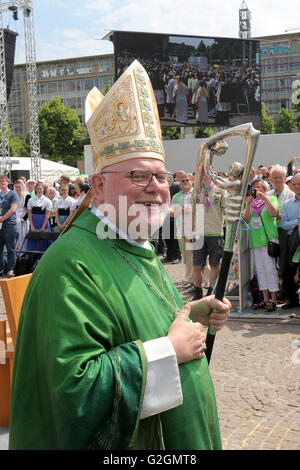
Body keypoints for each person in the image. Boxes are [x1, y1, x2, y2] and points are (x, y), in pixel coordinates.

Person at [9, 60, 231, 451]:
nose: (156, 189)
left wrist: (192, 314)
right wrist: (170, 352)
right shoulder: (72, 264)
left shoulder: (132, 240)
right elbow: (73, 393)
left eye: (161, 177)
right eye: (138, 176)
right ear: (98, 184)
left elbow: (137, 323)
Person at [243, 177, 279, 311]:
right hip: (255, 240)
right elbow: (246, 220)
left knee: (270, 269)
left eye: (259, 188)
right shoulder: (251, 203)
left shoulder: (271, 199)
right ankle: (265, 298)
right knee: (261, 271)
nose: (256, 190)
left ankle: (273, 298)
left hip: (269, 240)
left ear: (265, 189)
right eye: (254, 188)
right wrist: (248, 204)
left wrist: (265, 199)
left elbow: (274, 213)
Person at [192, 173, 226, 300]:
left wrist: (223, 225)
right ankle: (197, 291)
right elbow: (193, 212)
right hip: (199, 233)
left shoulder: (220, 190)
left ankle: (211, 290)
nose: (203, 177)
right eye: (201, 175)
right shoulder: (195, 191)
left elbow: (226, 210)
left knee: (214, 264)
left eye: (205, 175)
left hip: (215, 233)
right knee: (196, 265)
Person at [267, 164, 294, 301]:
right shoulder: (268, 195)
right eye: (275, 177)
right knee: (271, 263)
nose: (277, 180)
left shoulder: (291, 194)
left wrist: (278, 214)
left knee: (284, 264)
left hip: (285, 232)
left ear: (285, 178)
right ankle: (275, 291)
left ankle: (286, 293)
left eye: (280, 177)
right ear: (270, 179)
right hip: (270, 232)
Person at [170, 172, 194, 284]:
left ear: (192, 180)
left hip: (195, 230)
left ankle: (206, 279)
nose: (185, 183)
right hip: (181, 230)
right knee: (187, 256)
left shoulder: (197, 194)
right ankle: (190, 279)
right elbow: (171, 213)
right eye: (183, 181)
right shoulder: (176, 196)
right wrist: (181, 211)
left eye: (187, 180)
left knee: (200, 256)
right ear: (179, 181)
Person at [281, 173, 300, 308]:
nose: (297, 186)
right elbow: (283, 224)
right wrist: (298, 222)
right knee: (287, 271)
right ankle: (293, 299)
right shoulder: (287, 204)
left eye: (299, 184)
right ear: (291, 186)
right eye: (294, 184)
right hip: (292, 241)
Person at [27, 182, 52, 259]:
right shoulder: (31, 200)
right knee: (34, 241)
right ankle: (32, 259)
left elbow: (47, 215)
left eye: (40, 189)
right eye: (38, 189)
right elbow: (29, 214)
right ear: (35, 189)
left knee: (44, 240)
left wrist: (43, 227)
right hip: (34, 222)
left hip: (43, 222)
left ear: (43, 189)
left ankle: (44, 259)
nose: (39, 190)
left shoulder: (47, 201)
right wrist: (32, 226)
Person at [0, 175, 18, 277]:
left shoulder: (12, 194)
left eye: (4, 181)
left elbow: (13, 209)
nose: (2, 183)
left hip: (9, 224)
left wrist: (3, 218)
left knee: (10, 249)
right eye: (0, 181)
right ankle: (1, 269)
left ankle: (11, 269)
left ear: (7, 182)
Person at [14, 180, 30, 252]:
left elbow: (29, 210)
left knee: (23, 234)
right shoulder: (12, 196)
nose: (18, 188)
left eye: (19, 187)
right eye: (16, 187)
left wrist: (24, 218)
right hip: (14, 217)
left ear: (22, 187)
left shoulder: (27, 196)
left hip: (24, 218)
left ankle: (23, 251)